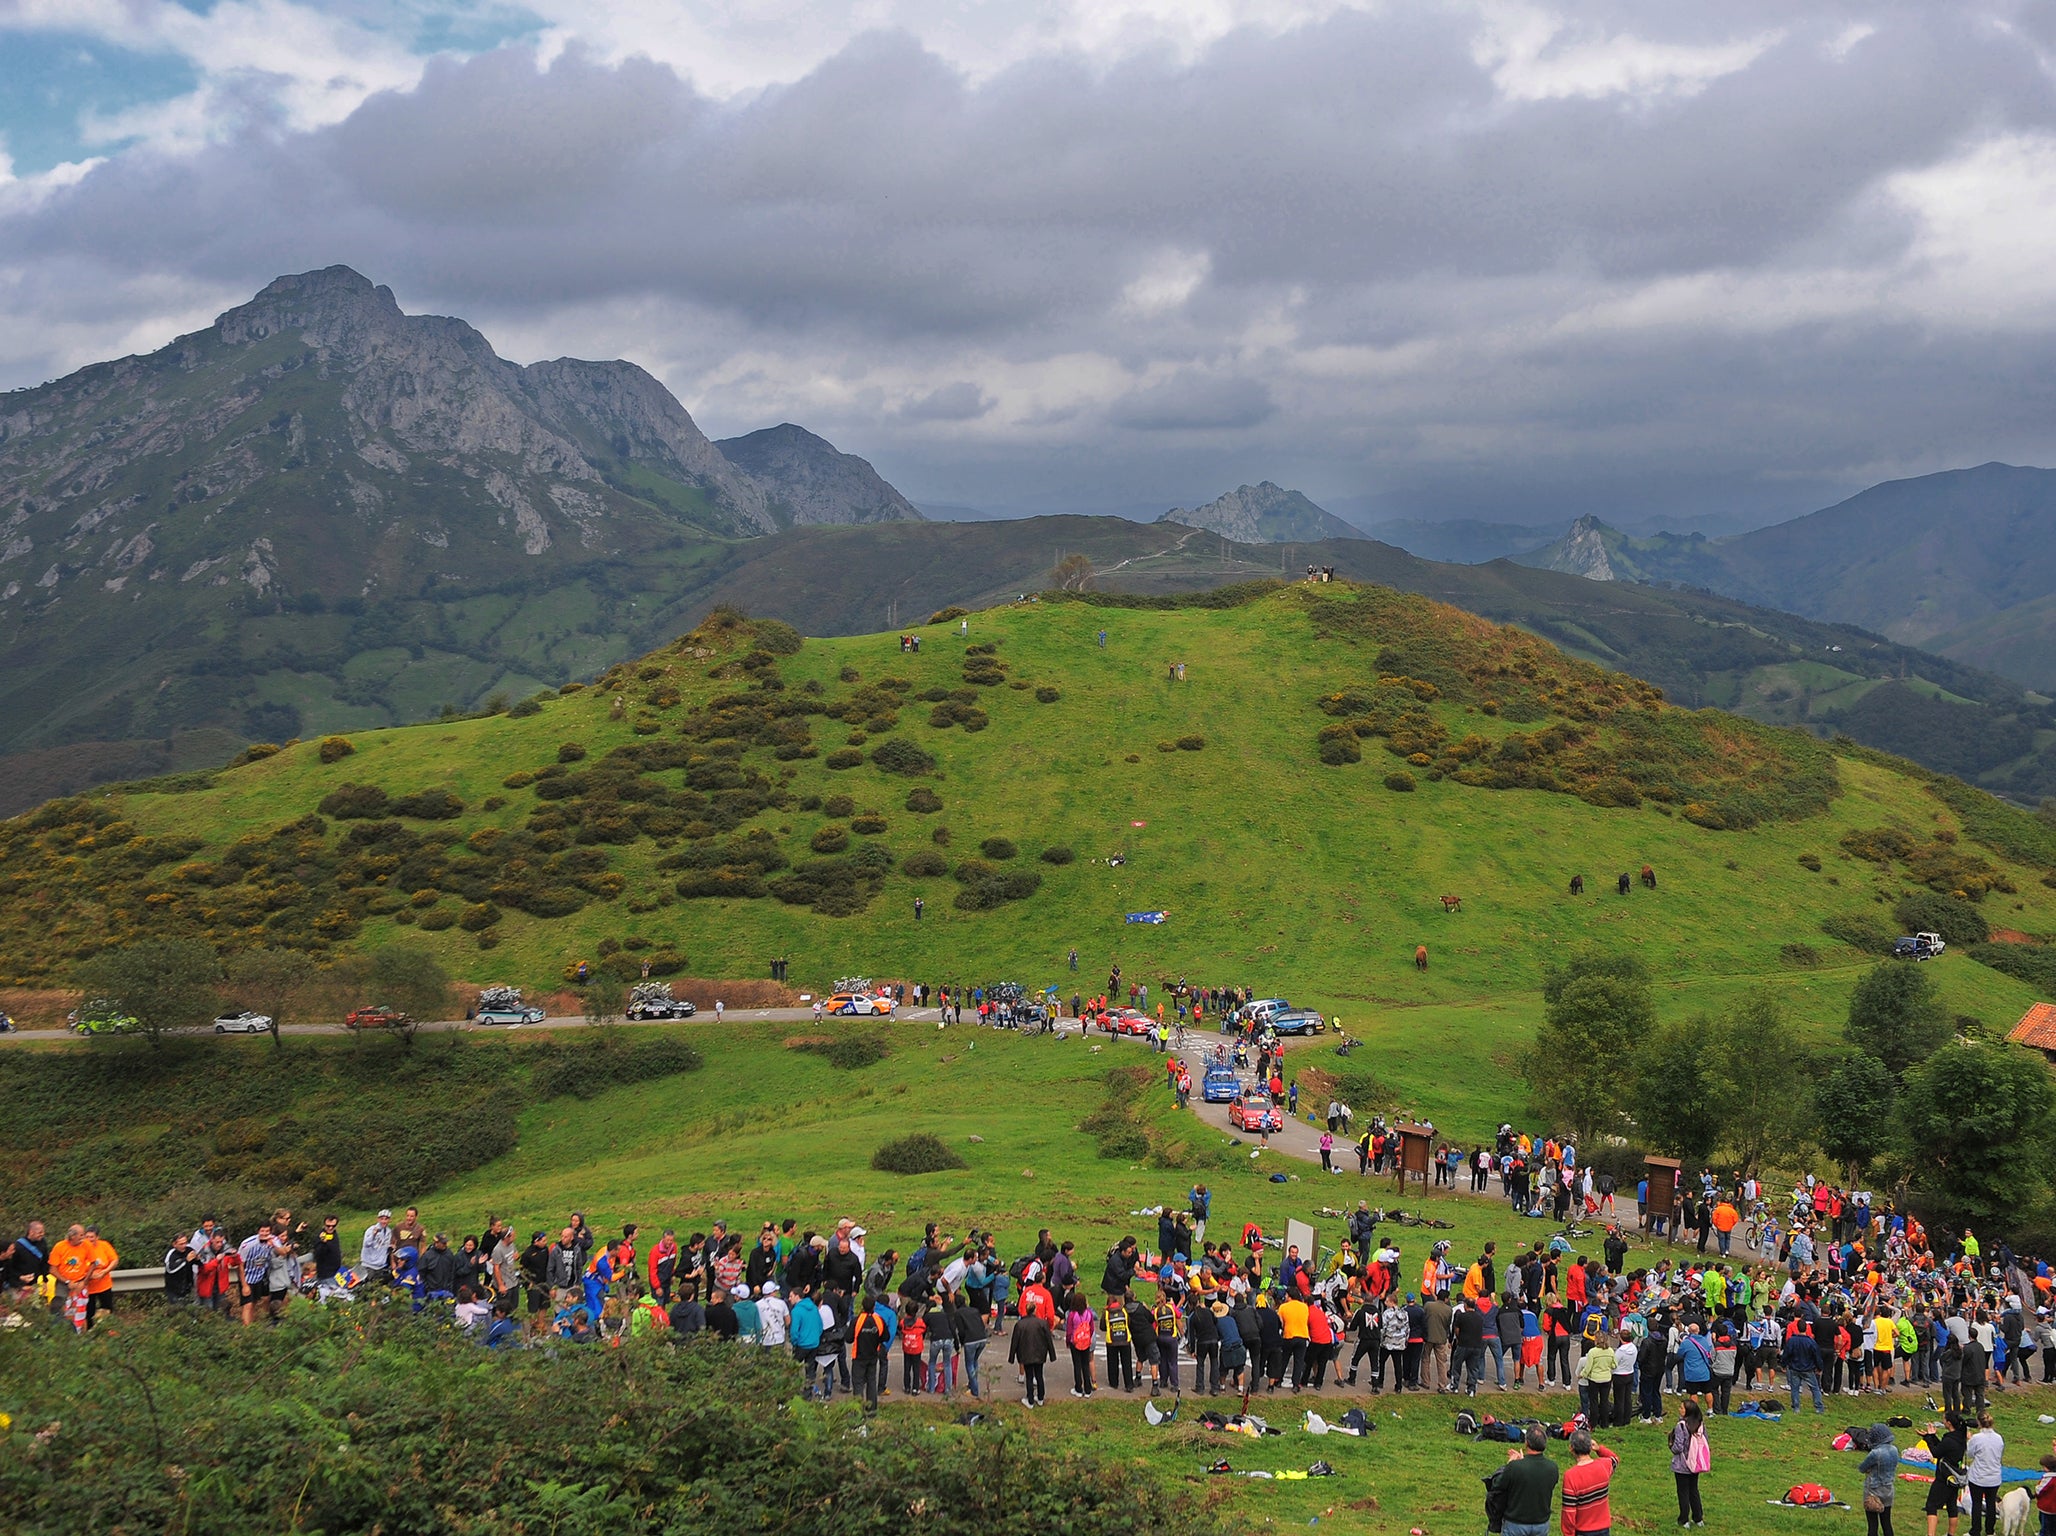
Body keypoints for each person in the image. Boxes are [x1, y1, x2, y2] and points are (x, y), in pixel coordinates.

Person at [1488, 1424, 1560, 1536]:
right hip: (1541, 1524)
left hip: (1515, 1524)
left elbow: (1497, 1485)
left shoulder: (1515, 1467)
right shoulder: (1553, 1468)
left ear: (1526, 1443)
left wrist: (1509, 1464)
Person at [1561, 1427, 1619, 1536]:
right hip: (1603, 1528)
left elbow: (1569, 1512)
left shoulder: (1571, 1476)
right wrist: (1599, 1449)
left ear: (1571, 1448)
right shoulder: (1604, 1465)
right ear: (1590, 1447)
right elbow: (1615, 1458)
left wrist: (1568, 1534)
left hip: (1583, 1530)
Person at [1922, 1411, 1968, 1536]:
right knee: (1951, 1506)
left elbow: (1936, 1453)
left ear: (1948, 1423)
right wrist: (1930, 1436)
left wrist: (1929, 1437)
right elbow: (1943, 1448)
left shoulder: (1949, 1440)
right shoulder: (1960, 1438)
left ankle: (1930, 1534)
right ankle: (1950, 1534)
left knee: (1931, 1505)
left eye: (1944, 1419)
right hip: (1955, 1477)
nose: (1943, 1421)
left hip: (1944, 1477)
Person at [1670, 1397, 1710, 1528]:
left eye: (1682, 1408)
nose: (1679, 1409)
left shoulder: (1681, 1426)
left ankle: (1684, 1519)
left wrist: (1671, 1446)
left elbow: (1678, 1447)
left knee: (1683, 1492)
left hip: (1682, 1465)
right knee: (1694, 1490)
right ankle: (1698, 1518)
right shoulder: (1700, 1425)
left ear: (1687, 1411)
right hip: (1696, 1464)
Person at [1009, 1298, 1054, 1407]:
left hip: (1025, 1354)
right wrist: (1052, 1354)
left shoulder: (1020, 1324)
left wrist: (1012, 1357)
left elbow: (1014, 1341)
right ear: (1035, 1310)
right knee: (1039, 1375)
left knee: (1029, 1376)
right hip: (1040, 1353)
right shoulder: (1042, 1323)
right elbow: (1049, 1339)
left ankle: (1030, 1400)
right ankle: (1040, 1398)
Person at [1965, 1412, 2004, 1536]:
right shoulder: (1999, 1438)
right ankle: (1990, 1531)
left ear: (1979, 1423)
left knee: (1976, 1504)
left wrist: (1969, 1440)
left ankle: (1975, 1531)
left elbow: (1969, 1454)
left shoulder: (1976, 1438)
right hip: (1994, 1476)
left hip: (1978, 1477)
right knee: (1991, 1503)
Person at [1860, 1422, 1900, 1536]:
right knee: (1886, 1522)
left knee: (1873, 1525)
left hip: (1873, 1491)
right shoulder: (1894, 1450)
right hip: (1888, 1489)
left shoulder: (1875, 1453)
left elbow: (1862, 1468)